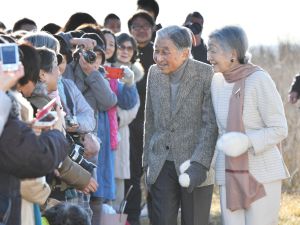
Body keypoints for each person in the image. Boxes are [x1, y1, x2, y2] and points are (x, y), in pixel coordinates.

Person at [208, 25, 289, 225]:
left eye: (213, 50)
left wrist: (246, 141)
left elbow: (279, 128)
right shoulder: (217, 81)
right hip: (228, 172)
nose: (208, 55)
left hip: (262, 173)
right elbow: (220, 131)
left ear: (233, 54)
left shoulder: (259, 79)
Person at [143, 25, 218, 225]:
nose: (158, 58)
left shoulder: (206, 74)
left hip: (195, 164)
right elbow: (149, 119)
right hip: (161, 163)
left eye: (165, 52)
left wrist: (200, 164)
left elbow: (210, 124)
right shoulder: (153, 73)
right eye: (156, 51)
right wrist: (147, 164)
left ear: (185, 53)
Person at [125, 10, 155, 224]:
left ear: (153, 29)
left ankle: (158, 215)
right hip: (132, 126)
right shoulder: (125, 57)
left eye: (146, 25)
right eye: (136, 26)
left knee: (156, 175)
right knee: (133, 175)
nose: (141, 29)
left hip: (155, 124)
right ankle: (132, 217)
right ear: (130, 30)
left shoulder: (159, 53)